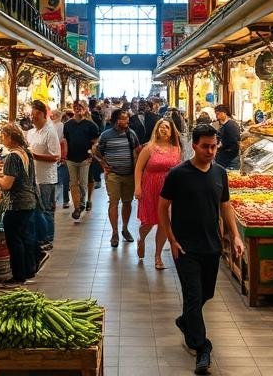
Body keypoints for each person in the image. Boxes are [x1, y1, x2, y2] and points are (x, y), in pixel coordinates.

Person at [159, 124, 244, 376]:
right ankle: (202, 347)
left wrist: (235, 236)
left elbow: (225, 205)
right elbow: (163, 207)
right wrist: (172, 240)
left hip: (212, 246)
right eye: (205, 146)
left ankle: (186, 321)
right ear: (194, 145)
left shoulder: (220, 173)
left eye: (214, 146)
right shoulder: (178, 174)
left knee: (206, 294)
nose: (210, 151)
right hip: (186, 249)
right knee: (194, 297)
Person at [0, 123, 45, 287]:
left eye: (3, 136)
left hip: (17, 204)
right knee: (22, 238)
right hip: (29, 201)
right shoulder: (25, 153)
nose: (2, 139)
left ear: (9, 137)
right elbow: (19, 176)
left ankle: (17, 277)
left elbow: (7, 184)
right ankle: (28, 270)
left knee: (14, 240)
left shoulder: (12, 157)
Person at [134, 116, 183, 269]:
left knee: (163, 223)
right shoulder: (149, 148)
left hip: (168, 189)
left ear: (172, 132)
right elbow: (139, 168)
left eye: (167, 127)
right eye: (161, 126)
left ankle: (157, 256)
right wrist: (138, 187)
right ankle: (141, 239)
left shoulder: (176, 149)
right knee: (148, 222)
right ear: (156, 129)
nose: (164, 129)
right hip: (150, 187)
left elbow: (178, 170)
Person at [94, 109, 142, 248]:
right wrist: (103, 164)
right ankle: (114, 233)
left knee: (127, 202)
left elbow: (138, 150)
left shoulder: (131, 134)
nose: (126, 121)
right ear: (115, 121)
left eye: (127, 119)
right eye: (123, 119)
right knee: (113, 202)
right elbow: (97, 153)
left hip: (129, 175)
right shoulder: (106, 135)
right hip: (113, 175)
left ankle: (125, 228)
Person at [26, 99, 61, 249]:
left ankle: (48, 239)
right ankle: (40, 237)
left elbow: (56, 157)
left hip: (46, 178)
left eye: (33, 114)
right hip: (34, 177)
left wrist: (33, 156)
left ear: (41, 114)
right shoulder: (32, 132)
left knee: (46, 209)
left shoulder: (50, 132)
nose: (31, 117)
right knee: (37, 210)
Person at [63, 103, 101, 220]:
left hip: (85, 158)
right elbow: (66, 140)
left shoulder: (90, 125)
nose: (78, 110)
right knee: (73, 183)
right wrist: (64, 155)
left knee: (83, 183)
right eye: (75, 108)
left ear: (84, 110)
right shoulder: (68, 125)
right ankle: (77, 207)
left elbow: (95, 141)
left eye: (80, 108)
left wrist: (92, 153)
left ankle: (83, 202)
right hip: (71, 158)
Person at [213, 104, 241, 171]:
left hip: (230, 160)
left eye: (218, 114)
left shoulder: (231, 125)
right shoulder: (224, 125)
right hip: (225, 158)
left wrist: (221, 145)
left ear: (224, 113)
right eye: (216, 114)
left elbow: (234, 143)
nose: (217, 117)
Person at [54, 109, 70, 208]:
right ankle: (64, 200)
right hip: (59, 155)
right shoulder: (59, 126)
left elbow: (64, 142)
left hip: (59, 155)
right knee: (63, 179)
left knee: (61, 179)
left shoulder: (60, 126)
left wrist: (63, 156)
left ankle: (62, 200)